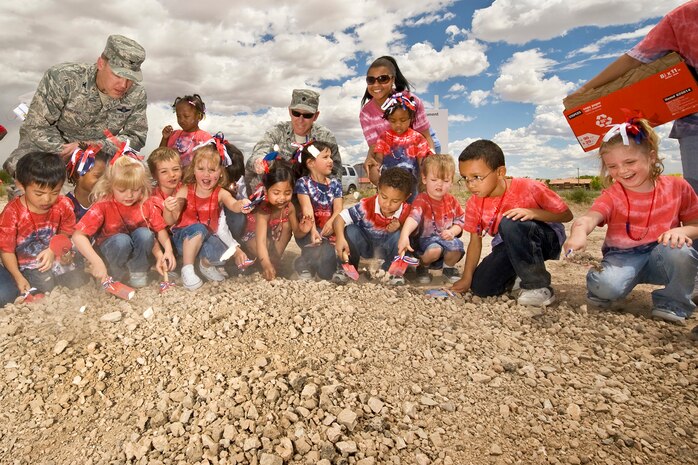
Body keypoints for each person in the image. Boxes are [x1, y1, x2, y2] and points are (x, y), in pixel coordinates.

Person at [564, 118, 698, 323]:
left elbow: (695, 224)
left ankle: (674, 303)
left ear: (651, 157)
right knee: (607, 286)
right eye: (613, 166)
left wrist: (682, 231)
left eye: (630, 162)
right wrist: (578, 234)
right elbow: (589, 218)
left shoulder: (677, 187)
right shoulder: (612, 195)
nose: (622, 171)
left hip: (662, 254)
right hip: (622, 257)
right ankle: (601, 286)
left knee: (681, 252)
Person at [565, 1, 698, 192]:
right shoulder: (683, 17)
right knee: (695, 199)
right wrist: (584, 92)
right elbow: (635, 58)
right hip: (694, 126)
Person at [4, 35, 147, 177]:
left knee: (138, 183)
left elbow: (136, 137)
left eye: (131, 79)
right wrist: (69, 153)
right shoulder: (63, 77)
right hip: (46, 150)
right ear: (101, 64)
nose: (123, 85)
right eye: (117, 75)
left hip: (97, 156)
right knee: (36, 188)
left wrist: (91, 146)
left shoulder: (137, 94)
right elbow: (36, 126)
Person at [453, 140, 573, 306]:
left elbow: (566, 215)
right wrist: (466, 278)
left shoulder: (529, 187)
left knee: (510, 222)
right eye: (465, 178)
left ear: (500, 172)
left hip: (545, 240)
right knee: (481, 287)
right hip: (510, 245)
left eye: (477, 177)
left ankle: (538, 287)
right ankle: (517, 275)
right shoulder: (474, 202)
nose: (470, 184)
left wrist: (532, 213)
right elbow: (475, 241)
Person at [72, 155, 175, 288]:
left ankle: (138, 272)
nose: (129, 195)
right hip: (111, 253)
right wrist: (97, 263)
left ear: (142, 187)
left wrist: (166, 252)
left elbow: (159, 230)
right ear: (111, 186)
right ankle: (114, 277)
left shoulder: (144, 202)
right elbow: (78, 236)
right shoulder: (104, 204)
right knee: (122, 240)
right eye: (122, 190)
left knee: (145, 234)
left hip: (134, 252)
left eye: (135, 189)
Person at [0, 152, 88, 297]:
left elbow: (66, 231)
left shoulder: (63, 204)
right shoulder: (12, 213)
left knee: (78, 279)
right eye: (39, 194)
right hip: (29, 264)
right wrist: (17, 277)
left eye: (54, 192)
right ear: (21, 186)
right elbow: (6, 251)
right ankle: (34, 290)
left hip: (53, 254)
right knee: (44, 283)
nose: (47, 199)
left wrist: (54, 250)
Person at [166, 142, 250, 290]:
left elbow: (233, 205)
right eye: (201, 169)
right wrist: (169, 209)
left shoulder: (220, 193)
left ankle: (205, 265)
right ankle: (187, 269)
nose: (206, 174)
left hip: (206, 237)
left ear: (221, 172)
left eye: (212, 170)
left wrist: (241, 204)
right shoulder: (185, 191)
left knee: (225, 250)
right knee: (198, 228)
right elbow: (171, 219)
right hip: (184, 238)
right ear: (193, 170)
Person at [244, 89, 342, 189]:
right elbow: (261, 148)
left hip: (312, 195)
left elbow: (335, 172)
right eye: (296, 113)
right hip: (279, 194)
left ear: (316, 116)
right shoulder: (277, 131)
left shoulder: (325, 137)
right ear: (290, 111)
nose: (300, 120)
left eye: (307, 115)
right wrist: (259, 160)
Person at [361, 56, 437, 181]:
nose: (376, 84)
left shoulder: (411, 101)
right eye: (371, 80)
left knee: (425, 182)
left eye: (383, 79)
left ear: (393, 80)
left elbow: (425, 137)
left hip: (422, 145)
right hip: (393, 152)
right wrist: (371, 161)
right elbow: (375, 146)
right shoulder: (366, 113)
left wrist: (430, 162)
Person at [333, 167, 413, 285]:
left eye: (395, 201)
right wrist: (340, 238)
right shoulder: (366, 205)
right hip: (366, 245)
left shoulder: (408, 212)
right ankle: (347, 268)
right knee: (350, 230)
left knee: (401, 235)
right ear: (378, 189)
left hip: (386, 248)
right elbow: (339, 219)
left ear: (406, 197)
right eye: (384, 197)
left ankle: (391, 272)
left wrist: (401, 226)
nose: (387, 204)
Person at [397, 154, 465, 284]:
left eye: (445, 181)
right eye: (434, 180)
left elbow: (460, 221)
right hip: (425, 242)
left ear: (451, 181)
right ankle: (423, 266)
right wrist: (404, 235)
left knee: (456, 247)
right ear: (424, 179)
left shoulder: (452, 201)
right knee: (435, 250)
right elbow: (413, 218)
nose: (439, 184)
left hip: (446, 239)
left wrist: (452, 232)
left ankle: (448, 268)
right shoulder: (422, 199)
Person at [241, 160, 312, 281]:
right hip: (252, 240)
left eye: (287, 193)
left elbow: (296, 232)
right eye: (276, 193)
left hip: (271, 238)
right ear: (266, 191)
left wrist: (304, 230)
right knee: (267, 244)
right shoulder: (263, 209)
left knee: (287, 226)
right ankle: (262, 264)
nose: (282, 198)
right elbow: (261, 241)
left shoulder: (289, 208)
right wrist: (266, 265)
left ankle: (274, 262)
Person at [293, 140, 343, 280]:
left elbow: (338, 208)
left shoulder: (335, 184)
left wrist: (332, 222)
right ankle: (302, 263)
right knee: (321, 248)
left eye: (331, 157)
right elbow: (307, 209)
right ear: (311, 163)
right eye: (325, 157)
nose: (331, 161)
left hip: (330, 230)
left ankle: (316, 264)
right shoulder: (303, 183)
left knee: (326, 273)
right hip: (310, 230)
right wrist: (313, 230)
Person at [370, 91, 431, 198]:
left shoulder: (418, 139)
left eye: (403, 120)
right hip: (389, 189)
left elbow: (422, 164)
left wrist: (424, 183)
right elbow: (378, 160)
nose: (398, 124)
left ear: (411, 118)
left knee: (410, 212)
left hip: (411, 188)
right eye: (393, 121)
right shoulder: (384, 137)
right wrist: (374, 172)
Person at [160, 94, 212, 167]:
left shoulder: (205, 138)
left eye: (186, 116)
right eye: (178, 116)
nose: (181, 120)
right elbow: (161, 156)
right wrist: (165, 138)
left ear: (199, 116)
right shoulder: (174, 135)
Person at [66, 147, 109, 221]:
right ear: (77, 175)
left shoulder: (105, 202)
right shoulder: (66, 205)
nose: (102, 181)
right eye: (97, 176)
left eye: (104, 177)